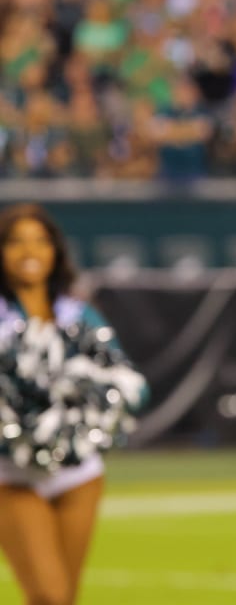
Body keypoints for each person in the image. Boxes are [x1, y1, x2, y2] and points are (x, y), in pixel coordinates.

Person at [0, 203, 132, 605]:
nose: (29, 251)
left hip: (78, 473)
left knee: (66, 598)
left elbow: (125, 380)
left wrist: (96, 395)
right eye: (16, 242)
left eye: (40, 241)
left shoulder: (80, 315)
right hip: (10, 473)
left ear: (55, 251)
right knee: (48, 595)